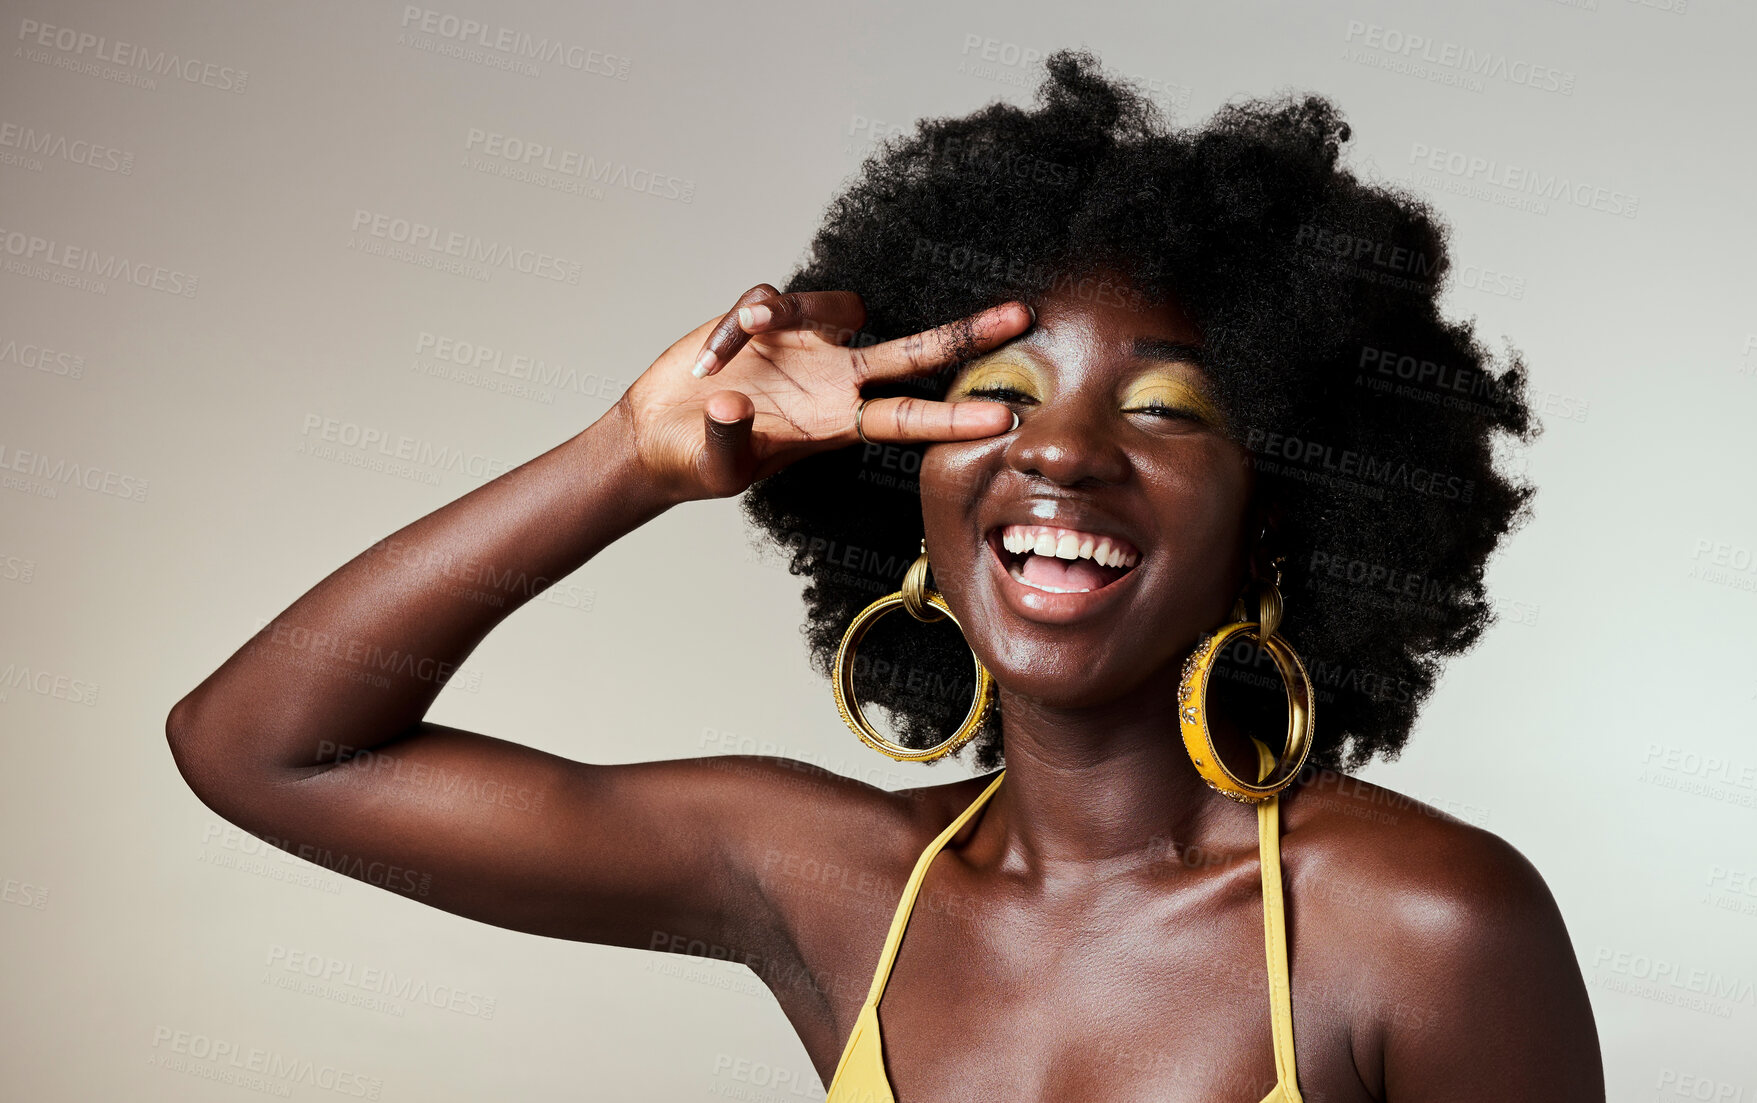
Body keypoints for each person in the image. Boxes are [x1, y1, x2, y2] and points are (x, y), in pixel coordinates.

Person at [167, 50, 1604, 1102]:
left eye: (1165, 411)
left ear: (1276, 521)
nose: (1064, 455)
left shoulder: (1426, 926)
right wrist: (630, 457)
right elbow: (266, 750)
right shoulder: (832, 881)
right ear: (907, 489)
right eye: (998, 398)